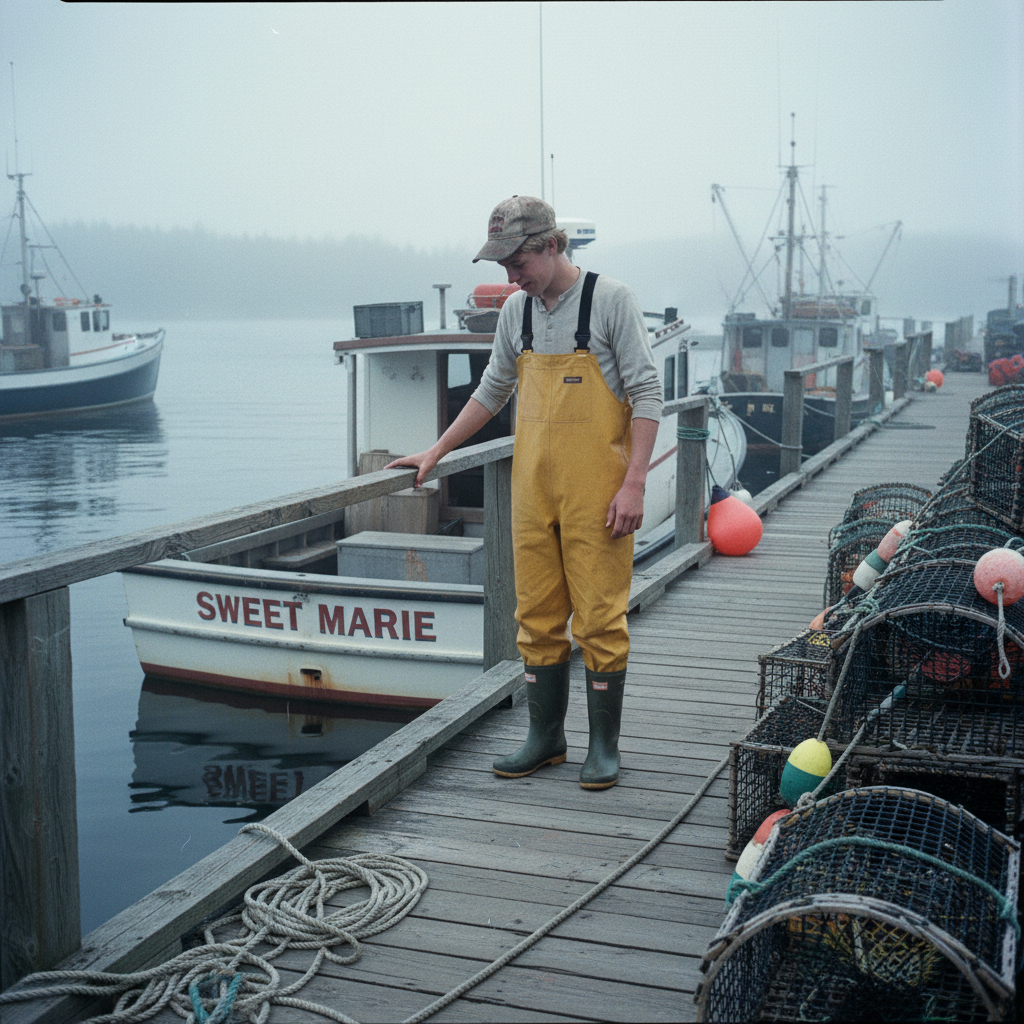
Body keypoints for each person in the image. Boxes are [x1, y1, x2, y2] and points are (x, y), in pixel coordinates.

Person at [386, 195, 662, 789]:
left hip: (599, 494)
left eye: (517, 261)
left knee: (599, 620)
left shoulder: (610, 301)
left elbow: (647, 393)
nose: (510, 276)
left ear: (551, 245)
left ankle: (604, 746)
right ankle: (546, 739)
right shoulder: (518, 312)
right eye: (503, 265)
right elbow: (492, 391)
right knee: (535, 617)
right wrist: (438, 452)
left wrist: (634, 482)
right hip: (532, 493)